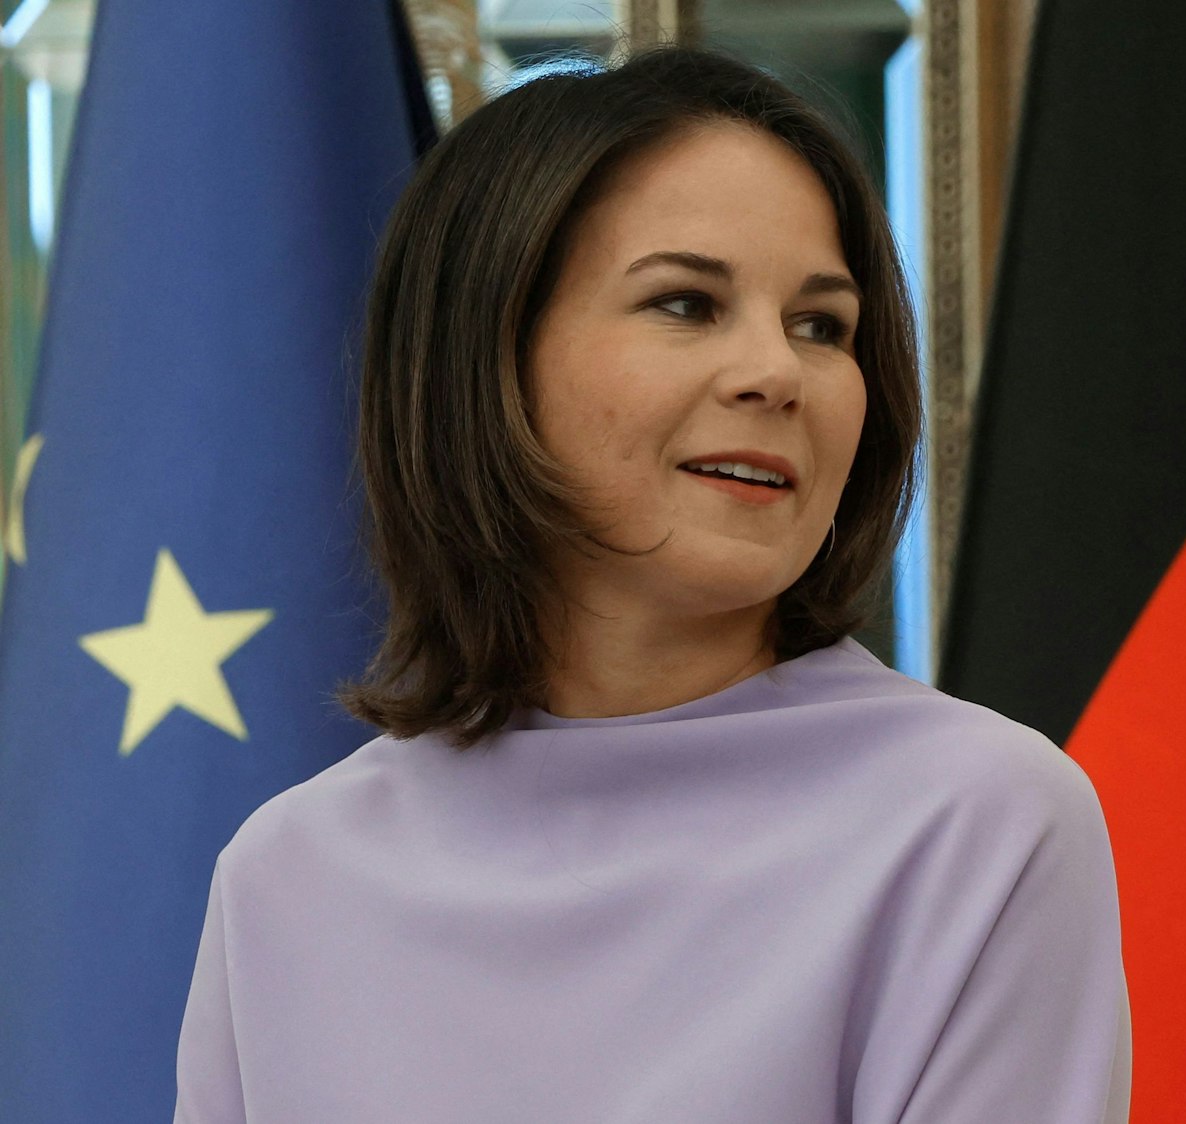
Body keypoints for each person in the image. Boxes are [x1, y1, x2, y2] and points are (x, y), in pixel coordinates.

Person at [171, 43, 1131, 1123]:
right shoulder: (287, 877)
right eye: (685, 303)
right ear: (483, 356)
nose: (776, 372)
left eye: (822, 325)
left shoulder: (976, 820)